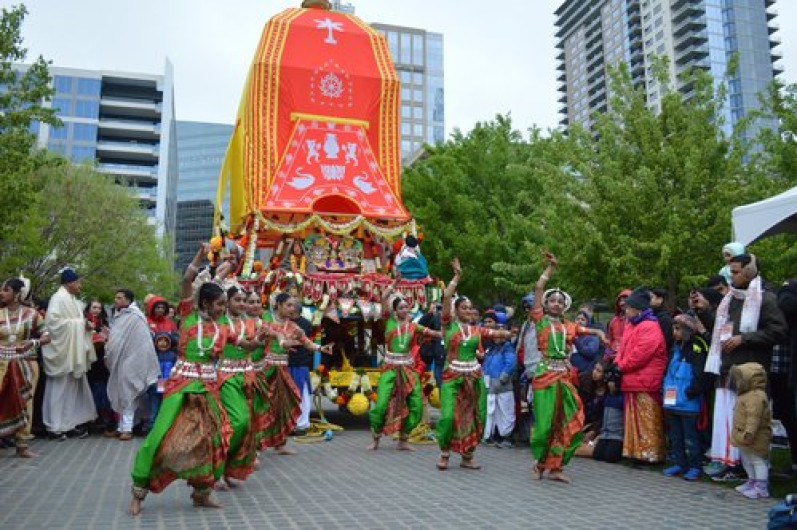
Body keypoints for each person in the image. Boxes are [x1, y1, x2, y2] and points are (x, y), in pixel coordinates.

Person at [129, 281, 232, 516]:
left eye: (224, 304)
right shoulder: (187, 317)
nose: (222, 308)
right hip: (182, 385)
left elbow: (242, 342)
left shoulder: (223, 326)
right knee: (160, 437)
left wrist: (264, 341)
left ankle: (202, 492)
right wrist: (200, 256)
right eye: (219, 304)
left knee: (212, 439)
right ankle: (138, 491)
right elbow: (187, 280)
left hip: (208, 388)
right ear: (205, 303)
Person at [704, 254, 787, 481]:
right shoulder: (729, 299)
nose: (732, 276)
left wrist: (744, 339)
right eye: (730, 271)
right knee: (730, 423)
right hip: (728, 369)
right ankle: (732, 466)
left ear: (749, 272)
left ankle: (753, 474)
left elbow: (778, 331)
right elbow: (720, 329)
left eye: (736, 271)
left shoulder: (766, 298)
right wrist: (703, 313)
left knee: (750, 424)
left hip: (752, 374)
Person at [528, 252, 607, 483]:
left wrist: (599, 332)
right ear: (546, 305)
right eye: (552, 301)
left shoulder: (569, 326)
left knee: (569, 421)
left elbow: (587, 330)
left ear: (565, 307)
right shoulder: (540, 320)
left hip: (564, 377)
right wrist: (549, 270)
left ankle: (557, 467)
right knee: (544, 425)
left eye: (560, 302)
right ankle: (539, 463)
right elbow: (538, 289)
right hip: (544, 376)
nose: (556, 304)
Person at [435, 258, 511, 471]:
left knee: (475, 414)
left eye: (471, 308)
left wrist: (508, 333)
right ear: (456, 310)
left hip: (474, 376)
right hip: (452, 376)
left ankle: (468, 455)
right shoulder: (448, 325)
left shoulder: (477, 330)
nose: (469, 311)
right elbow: (448, 296)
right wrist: (457, 277)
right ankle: (444, 452)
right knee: (449, 415)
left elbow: (494, 333)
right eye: (465, 308)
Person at [368, 278, 440, 451]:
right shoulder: (389, 322)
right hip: (390, 369)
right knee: (381, 404)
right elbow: (384, 297)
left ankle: (404, 438)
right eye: (401, 307)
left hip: (408, 369)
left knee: (416, 405)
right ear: (394, 310)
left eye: (407, 307)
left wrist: (447, 332)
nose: (405, 310)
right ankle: (376, 438)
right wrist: (395, 283)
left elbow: (433, 333)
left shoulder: (414, 326)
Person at [260, 293, 331, 454]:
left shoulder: (293, 327)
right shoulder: (265, 317)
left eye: (294, 305)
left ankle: (280, 443)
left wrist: (321, 348)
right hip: (264, 369)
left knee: (284, 406)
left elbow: (307, 342)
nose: (293, 309)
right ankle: (257, 444)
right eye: (289, 305)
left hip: (282, 370)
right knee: (263, 406)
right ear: (278, 305)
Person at [41, 268, 97, 439]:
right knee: (58, 389)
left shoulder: (71, 299)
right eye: (78, 282)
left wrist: (83, 325)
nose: (80, 285)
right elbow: (53, 323)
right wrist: (81, 324)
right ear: (70, 282)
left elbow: (72, 322)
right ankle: (54, 427)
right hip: (63, 352)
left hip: (72, 351)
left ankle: (67, 424)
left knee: (71, 389)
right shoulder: (58, 298)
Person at [615, 287, 667, 463]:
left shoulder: (650, 326)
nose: (626, 310)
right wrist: (618, 363)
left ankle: (651, 454)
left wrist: (620, 366)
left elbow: (640, 355)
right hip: (632, 378)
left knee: (647, 419)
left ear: (638, 309)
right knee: (633, 420)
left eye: (629, 308)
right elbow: (622, 349)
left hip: (645, 380)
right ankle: (636, 452)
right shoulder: (632, 324)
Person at [216, 285, 261, 486]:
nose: (242, 304)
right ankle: (216, 466)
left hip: (248, 377)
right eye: (238, 300)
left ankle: (228, 468)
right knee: (238, 421)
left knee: (248, 426)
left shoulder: (252, 323)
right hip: (225, 377)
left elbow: (277, 335)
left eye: (245, 300)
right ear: (227, 301)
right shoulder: (219, 322)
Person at [0, 277, 49, 457]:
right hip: (2, 363)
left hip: (26, 363)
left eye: (5, 290)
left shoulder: (32, 314)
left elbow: (47, 336)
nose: (1, 293)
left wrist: (32, 342)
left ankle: (22, 445)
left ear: (16, 294)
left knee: (24, 402)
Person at [105, 289, 160, 441]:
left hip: (134, 361)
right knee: (124, 393)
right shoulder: (120, 316)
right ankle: (123, 426)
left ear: (128, 300)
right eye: (115, 297)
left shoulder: (136, 317)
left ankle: (127, 428)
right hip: (121, 360)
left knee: (129, 393)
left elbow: (142, 342)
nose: (116, 300)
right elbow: (116, 339)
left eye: (119, 298)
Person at [662, 314, 708, 481]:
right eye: (673, 328)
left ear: (687, 329)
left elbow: (700, 373)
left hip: (688, 401)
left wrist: (692, 391)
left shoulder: (697, 346)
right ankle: (680, 463)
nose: (674, 332)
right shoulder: (675, 347)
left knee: (690, 436)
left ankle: (695, 465)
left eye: (677, 328)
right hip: (672, 400)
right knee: (676, 436)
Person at [730, 362, 772, 499]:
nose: (737, 383)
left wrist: (749, 433)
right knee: (747, 459)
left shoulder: (756, 396)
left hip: (755, 436)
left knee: (757, 460)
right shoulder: (745, 394)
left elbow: (754, 418)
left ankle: (761, 487)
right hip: (743, 435)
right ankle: (752, 480)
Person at [481, 309, 517, 449]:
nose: (497, 336)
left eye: (500, 333)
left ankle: (506, 436)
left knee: (505, 410)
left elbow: (511, 363)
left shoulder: (507, 348)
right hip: (491, 384)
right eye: (496, 333)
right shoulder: (492, 349)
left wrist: (503, 377)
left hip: (503, 386)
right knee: (493, 412)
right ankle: (494, 435)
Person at [145, 296, 178, 432]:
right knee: (152, 399)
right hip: (151, 361)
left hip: (167, 365)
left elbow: (176, 338)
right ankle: (150, 424)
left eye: (162, 307)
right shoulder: (146, 321)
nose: (160, 310)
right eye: (157, 307)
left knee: (164, 399)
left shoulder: (170, 323)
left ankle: (163, 425)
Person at [775, 279, 797, 473]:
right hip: (784, 370)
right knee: (787, 415)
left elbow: (786, 304)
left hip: (786, 367)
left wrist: (785, 288)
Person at [85, 299, 113, 435]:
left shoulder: (104, 325)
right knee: (89, 389)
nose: (96, 310)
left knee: (101, 390)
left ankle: (103, 418)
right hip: (87, 361)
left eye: (99, 308)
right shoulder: (83, 322)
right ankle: (90, 420)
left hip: (101, 360)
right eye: (94, 307)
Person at [288, 295, 314, 436]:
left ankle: (302, 424)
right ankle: (289, 424)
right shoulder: (285, 322)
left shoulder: (304, 324)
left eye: (290, 306)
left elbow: (303, 342)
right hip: (287, 362)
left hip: (299, 363)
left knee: (302, 395)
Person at [592, 362, 624, 464]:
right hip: (604, 434)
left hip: (616, 435)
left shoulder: (622, 397)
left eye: (613, 383)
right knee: (597, 455)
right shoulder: (607, 396)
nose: (611, 386)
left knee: (610, 457)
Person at [570, 309, 604, 376]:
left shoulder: (593, 337)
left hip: (584, 373)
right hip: (570, 371)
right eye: (577, 319)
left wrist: (576, 341)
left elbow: (590, 352)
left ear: (587, 322)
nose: (579, 321)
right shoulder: (570, 335)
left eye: (583, 320)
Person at [606, 289, 632, 357]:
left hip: (629, 357)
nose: (622, 303)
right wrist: (608, 354)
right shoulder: (613, 321)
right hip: (613, 357)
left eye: (625, 300)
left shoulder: (637, 320)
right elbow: (609, 340)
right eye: (620, 300)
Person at [650, 288, 674, 352]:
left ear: (660, 300)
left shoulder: (665, 319)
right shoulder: (652, 315)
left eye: (652, 297)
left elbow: (665, 342)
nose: (649, 300)